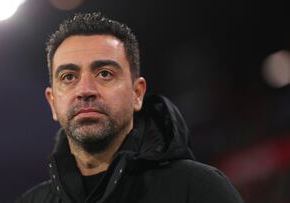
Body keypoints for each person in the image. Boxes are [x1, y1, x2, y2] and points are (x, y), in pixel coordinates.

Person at [16, 12, 244, 203]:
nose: (85, 90)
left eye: (105, 74)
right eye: (68, 77)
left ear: (137, 94)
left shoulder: (199, 190)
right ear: (53, 102)